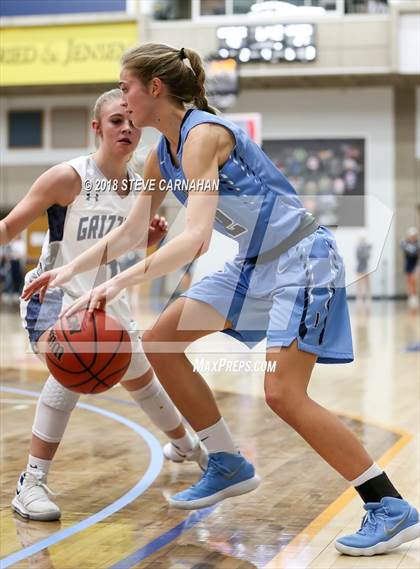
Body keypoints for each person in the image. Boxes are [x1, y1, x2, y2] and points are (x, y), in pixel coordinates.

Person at [23, 44, 419, 556]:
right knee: (163, 339)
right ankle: (227, 462)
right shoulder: (160, 154)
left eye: (126, 87)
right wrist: (69, 269)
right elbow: (131, 231)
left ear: (154, 89)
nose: (122, 97)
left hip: (301, 257)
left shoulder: (204, 135)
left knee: (282, 395)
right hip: (256, 265)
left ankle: (387, 504)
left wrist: (118, 284)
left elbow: (194, 240)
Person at [0, 88, 207, 522]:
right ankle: (31, 483)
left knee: (140, 376)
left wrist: (147, 242)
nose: (127, 127)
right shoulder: (68, 177)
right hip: (52, 293)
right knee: (76, 366)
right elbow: (8, 228)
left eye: (132, 119)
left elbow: (124, 250)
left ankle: (188, 448)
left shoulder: (143, 184)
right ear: (96, 127)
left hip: (105, 295)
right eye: (116, 120)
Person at [400, 227, 419, 311]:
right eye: (411, 235)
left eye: (414, 235)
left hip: (415, 264)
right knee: (409, 280)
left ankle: (414, 296)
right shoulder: (405, 243)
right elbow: (408, 250)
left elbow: (414, 251)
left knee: (413, 280)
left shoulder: (417, 243)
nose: (412, 237)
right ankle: (411, 297)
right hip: (408, 264)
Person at [355, 234, 372, 310]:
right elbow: (360, 256)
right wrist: (366, 249)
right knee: (359, 284)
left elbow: (368, 256)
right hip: (360, 268)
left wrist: (367, 249)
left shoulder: (366, 248)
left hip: (365, 267)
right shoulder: (358, 248)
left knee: (367, 283)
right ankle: (359, 298)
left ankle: (367, 298)